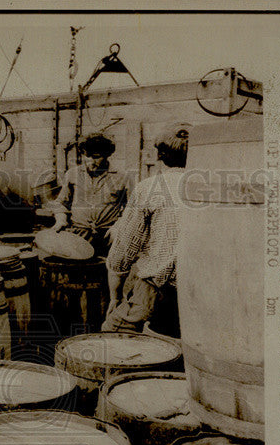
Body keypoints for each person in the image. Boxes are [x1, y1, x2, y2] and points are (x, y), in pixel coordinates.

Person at [102, 127, 189, 337]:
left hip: (158, 289)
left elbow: (122, 254)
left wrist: (115, 297)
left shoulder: (148, 188)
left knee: (111, 332)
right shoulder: (210, 187)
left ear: (159, 156)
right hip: (201, 290)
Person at [50, 132, 129, 257]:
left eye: (96, 157)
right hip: (79, 235)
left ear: (107, 155)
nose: (91, 161)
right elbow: (61, 203)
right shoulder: (72, 174)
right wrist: (61, 219)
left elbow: (131, 209)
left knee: (105, 272)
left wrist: (118, 227)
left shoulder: (121, 177)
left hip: (109, 236)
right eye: (87, 156)